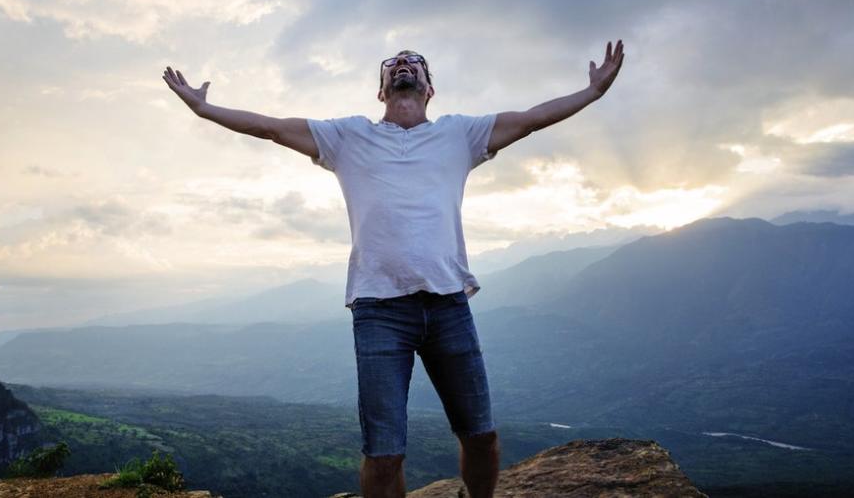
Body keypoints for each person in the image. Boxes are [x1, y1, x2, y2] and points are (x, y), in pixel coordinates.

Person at [162, 40, 624, 498]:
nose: (403, 64)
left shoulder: (460, 134)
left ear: (430, 88)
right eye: (393, 63)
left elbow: (530, 120)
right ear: (381, 91)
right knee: (384, 453)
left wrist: (591, 94)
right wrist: (206, 110)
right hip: (379, 309)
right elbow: (270, 128)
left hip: (448, 304)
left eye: (414, 61)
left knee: (481, 435)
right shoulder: (346, 137)